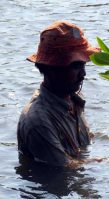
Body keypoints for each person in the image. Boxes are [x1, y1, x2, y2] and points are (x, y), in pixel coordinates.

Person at [17, 21, 103, 168]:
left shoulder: (73, 99)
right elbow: (65, 167)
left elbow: (84, 146)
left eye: (83, 64)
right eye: (75, 66)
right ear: (51, 68)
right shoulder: (38, 122)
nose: (83, 74)